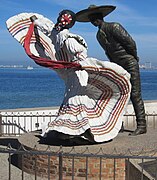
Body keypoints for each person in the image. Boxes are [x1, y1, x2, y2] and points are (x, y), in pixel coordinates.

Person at [6, 10, 131, 143]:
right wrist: (36, 21)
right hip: (72, 74)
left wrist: (83, 65)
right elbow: (47, 28)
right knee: (74, 100)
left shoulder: (68, 39)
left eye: (62, 19)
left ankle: (76, 131)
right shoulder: (57, 33)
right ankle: (76, 131)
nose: (60, 21)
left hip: (77, 74)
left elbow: (80, 56)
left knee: (75, 100)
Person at [76, 5, 147, 136]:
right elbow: (108, 52)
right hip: (117, 65)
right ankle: (116, 124)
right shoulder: (98, 36)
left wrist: (134, 57)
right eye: (91, 19)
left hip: (129, 62)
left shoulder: (114, 26)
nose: (93, 21)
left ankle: (142, 125)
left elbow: (130, 43)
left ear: (101, 17)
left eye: (95, 18)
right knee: (118, 94)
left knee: (135, 94)